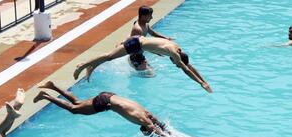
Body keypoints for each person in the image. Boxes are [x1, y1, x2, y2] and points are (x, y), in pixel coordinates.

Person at [33, 81, 178, 137]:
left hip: (109, 95)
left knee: (77, 102)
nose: (146, 133)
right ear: (145, 128)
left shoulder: (145, 113)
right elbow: (155, 129)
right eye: (146, 133)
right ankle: (45, 96)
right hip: (105, 102)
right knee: (74, 110)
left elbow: (156, 122)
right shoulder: (143, 120)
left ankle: (53, 86)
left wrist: (166, 129)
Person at [74, 36, 212, 93]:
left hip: (138, 42)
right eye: (176, 64)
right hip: (135, 44)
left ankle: (90, 67)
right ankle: (82, 64)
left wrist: (204, 81)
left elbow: (189, 66)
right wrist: (200, 83)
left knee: (109, 57)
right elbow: (186, 69)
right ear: (176, 59)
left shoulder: (177, 48)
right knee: (110, 56)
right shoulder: (174, 53)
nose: (176, 64)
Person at [128, 6, 173, 72]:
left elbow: (153, 33)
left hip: (139, 55)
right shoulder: (138, 29)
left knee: (151, 72)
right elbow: (143, 46)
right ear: (143, 16)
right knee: (150, 75)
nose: (152, 17)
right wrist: (156, 51)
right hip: (135, 57)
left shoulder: (145, 24)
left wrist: (165, 38)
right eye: (150, 16)